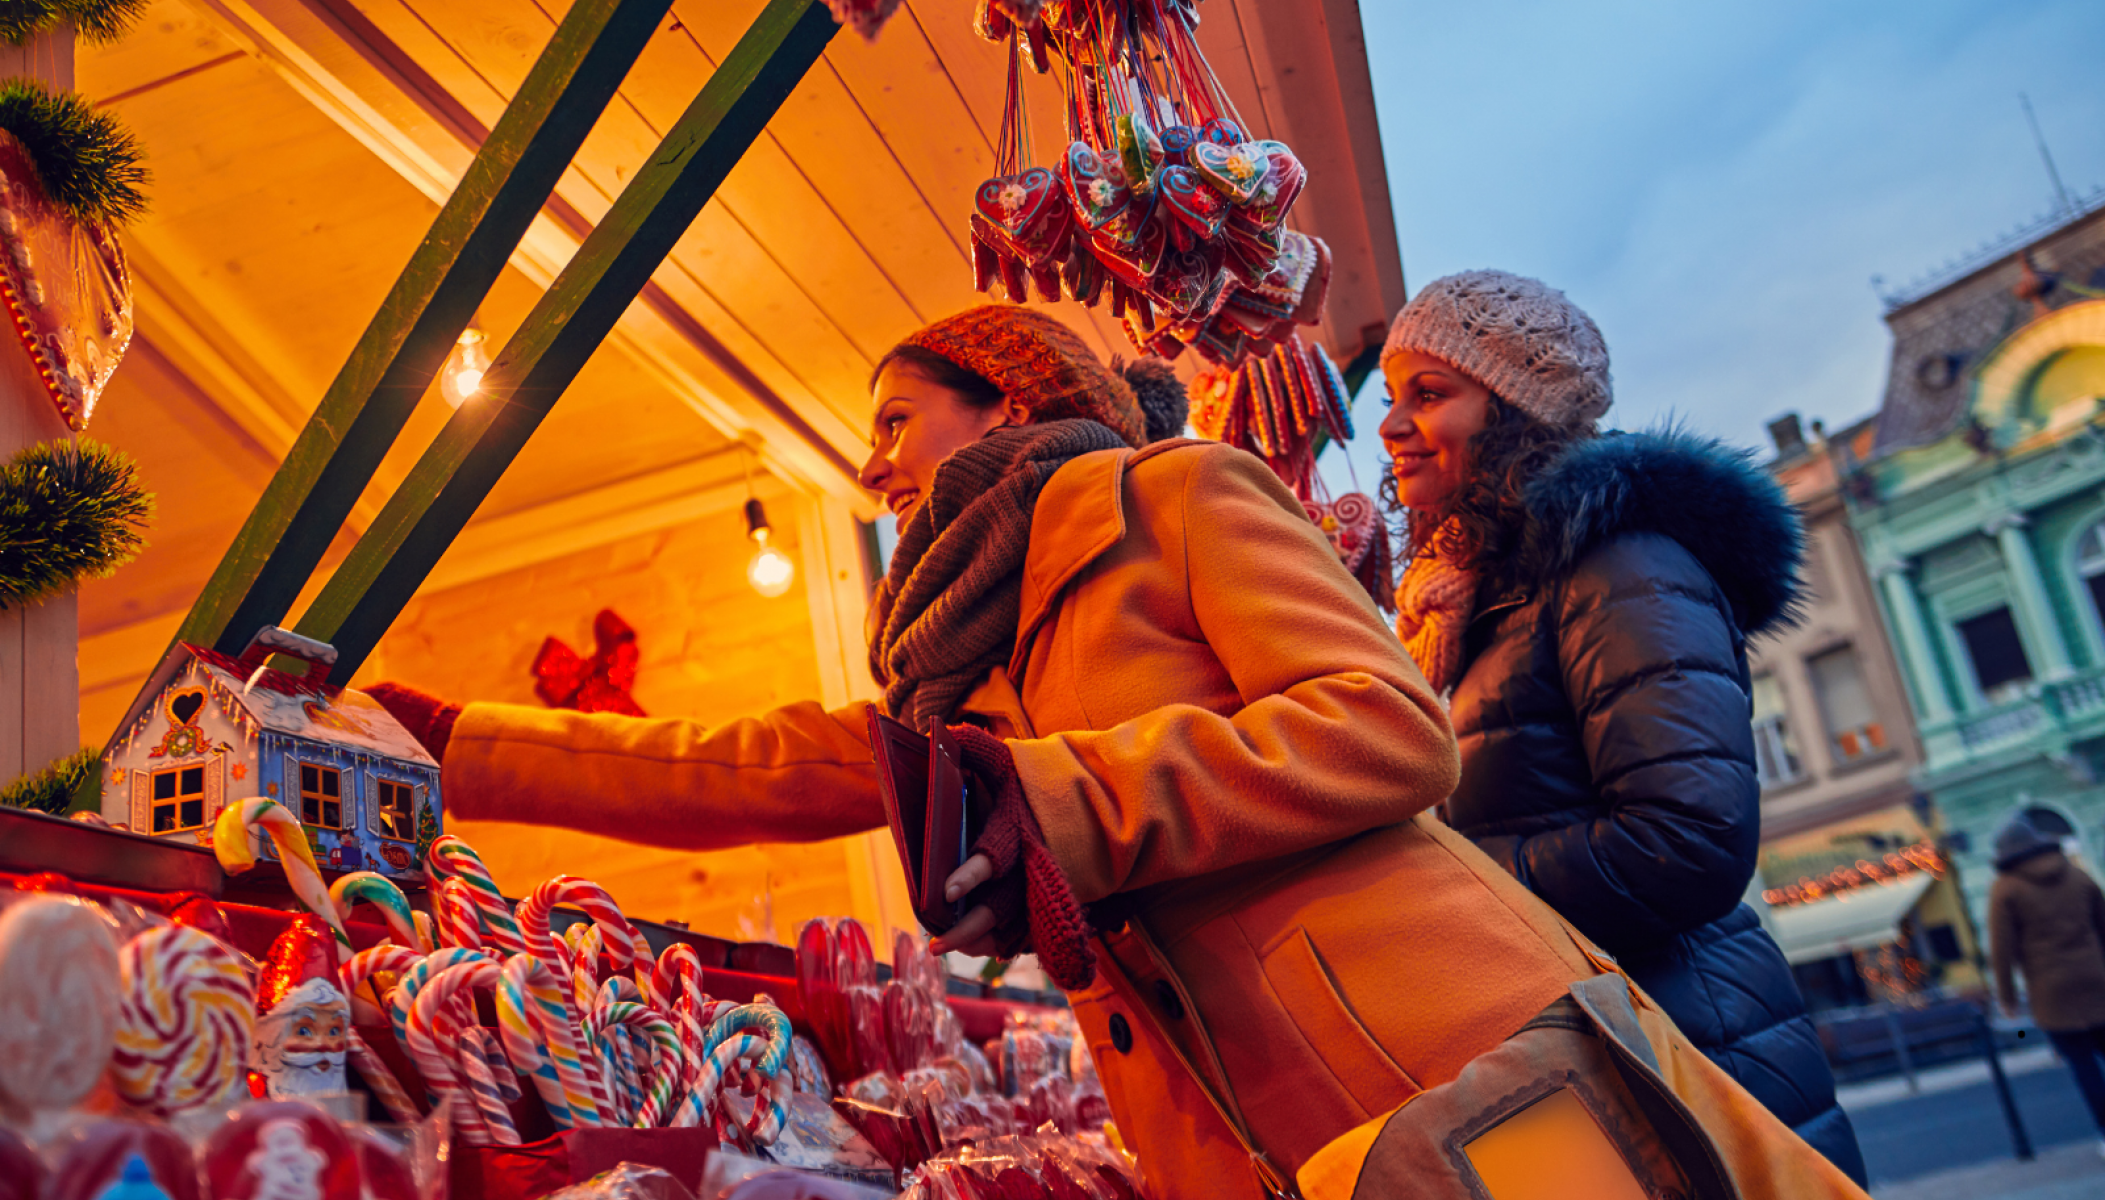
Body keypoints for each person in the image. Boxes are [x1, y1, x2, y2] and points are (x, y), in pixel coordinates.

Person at [370, 305, 1865, 1200]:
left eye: (895, 419)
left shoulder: (1176, 495)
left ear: (1006, 405)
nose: (873, 462)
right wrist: (446, 747)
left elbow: (1382, 729)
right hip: (1235, 1141)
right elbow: (754, 765)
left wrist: (1058, 801)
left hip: (1462, 1057)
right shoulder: (964, 657)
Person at [1380, 270, 1869, 1185]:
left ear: (1518, 411)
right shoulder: (1472, 606)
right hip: (1569, 1059)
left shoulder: (1620, 562)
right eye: (1390, 397)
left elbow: (1687, 839)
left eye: (1429, 393)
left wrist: (1437, 897)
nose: (1391, 425)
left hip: (1680, 1049)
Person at [1989, 810, 2105, 1155]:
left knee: (2084, 1066)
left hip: (2052, 991)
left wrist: (2007, 999)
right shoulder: (2077, 874)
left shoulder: (2005, 888)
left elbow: (2001, 949)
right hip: (2097, 980)